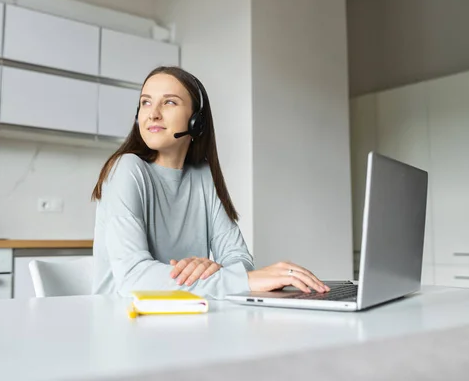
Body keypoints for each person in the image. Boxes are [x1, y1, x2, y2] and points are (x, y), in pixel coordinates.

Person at [91, 66, 329, 299]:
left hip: (184, 320)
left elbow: (239, 259)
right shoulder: (126, 168)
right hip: (122, 321)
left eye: (169, 102)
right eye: (145, 102)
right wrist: (241, 280)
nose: (153, 113)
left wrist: (209, 270)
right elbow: (134, 278)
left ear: (196, 121)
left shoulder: (202, 175)